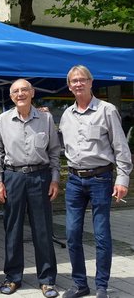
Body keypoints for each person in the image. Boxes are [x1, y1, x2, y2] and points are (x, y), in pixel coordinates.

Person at [59, 65, 132, 298]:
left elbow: (121, 147)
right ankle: (80, 284)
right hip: (73, 180)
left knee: (101, 235)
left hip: (101, 178)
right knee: (71, 234)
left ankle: (101, 285)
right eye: (74, 81)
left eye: (82, 80)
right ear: (69, 86)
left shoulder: (107, 110)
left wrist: (122, 179)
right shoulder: (66, 115)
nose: (78, 84)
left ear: (91, 82)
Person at [0, 79, 60, 297]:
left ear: (32, 93)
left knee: (43, 230)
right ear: (11, 96)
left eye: (24, 90)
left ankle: (47, 279)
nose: (20, 93)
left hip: (40, 177)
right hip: (13, 177)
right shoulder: (2, 120)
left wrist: (55, 179)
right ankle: (13, 277)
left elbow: (54, 151)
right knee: (12, 230)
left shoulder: (46, 118)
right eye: (15, 91)